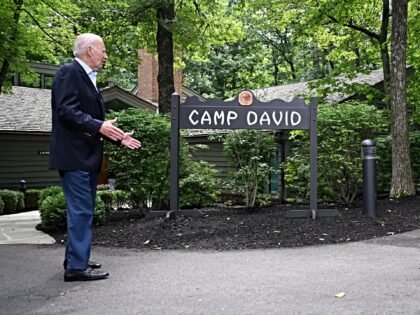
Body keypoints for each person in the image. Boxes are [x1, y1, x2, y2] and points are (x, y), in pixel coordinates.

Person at [49, 33, 141, 282]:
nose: (105, 55)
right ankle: (77, 268)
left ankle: (76, 258)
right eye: (103, 50)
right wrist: (98, 125)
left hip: (85, 157)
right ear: (89, 50)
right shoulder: (69, 73)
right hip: (74, 157)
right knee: (81, 212)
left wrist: (117, 136)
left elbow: (89, 122)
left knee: (83, 210)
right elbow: (66, 111)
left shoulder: (87, 78)